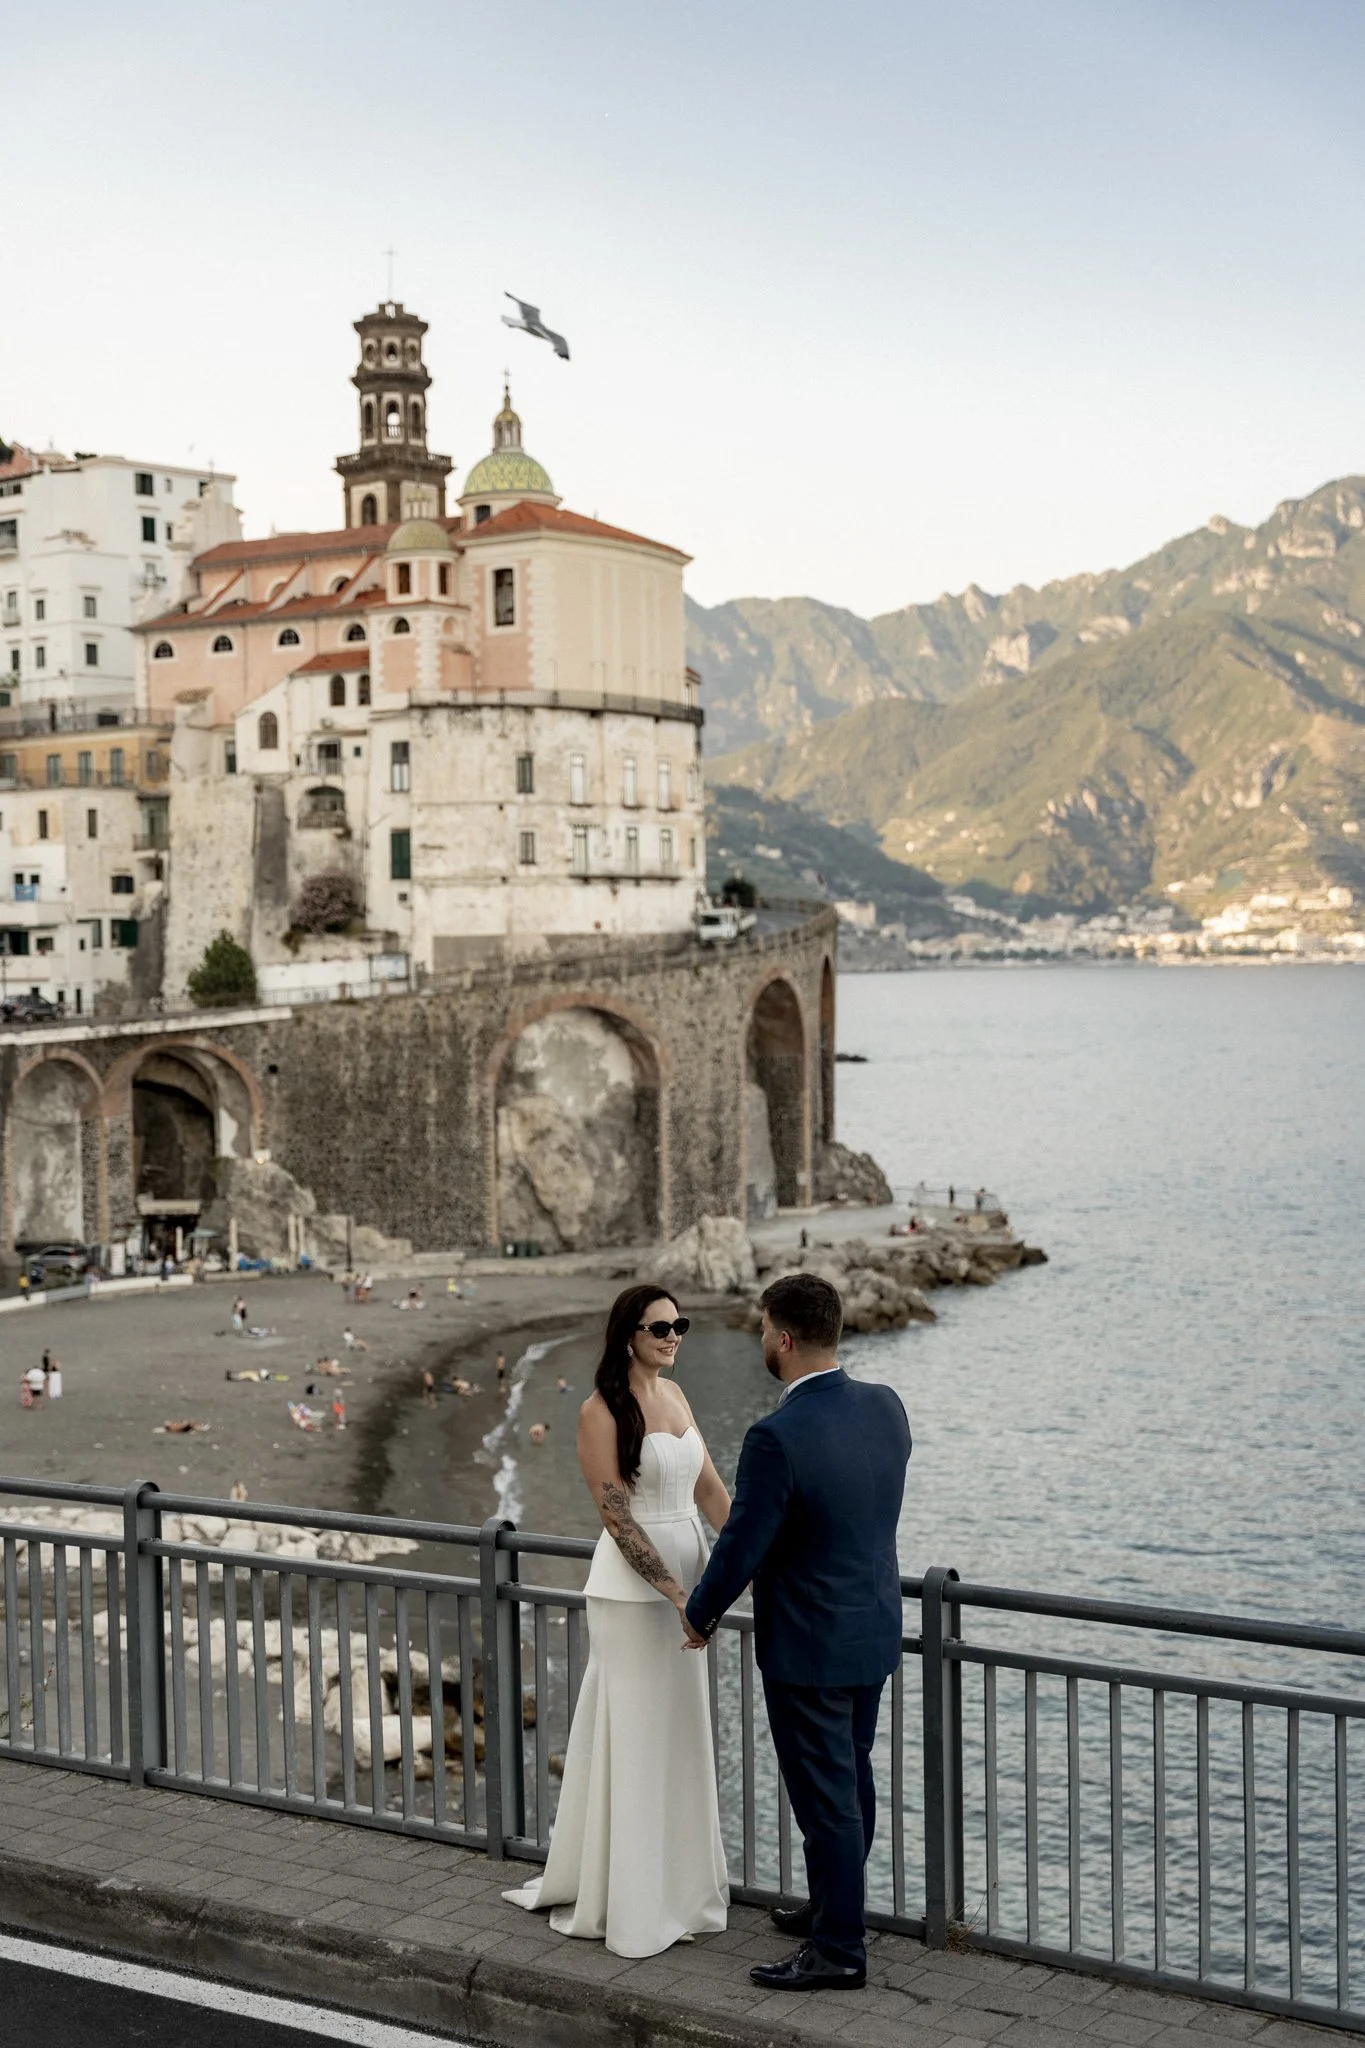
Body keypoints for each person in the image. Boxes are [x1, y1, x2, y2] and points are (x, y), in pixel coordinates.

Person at [684, 1272, 912, 1994]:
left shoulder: (775, 1435)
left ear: (781, 1338)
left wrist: (699, 1613)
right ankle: (830, 1905)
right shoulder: (885, 1407)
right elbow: (854, 1514)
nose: (759, 1339)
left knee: (825, 1799)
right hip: (870, 1628)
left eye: (760, 1329)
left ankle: (839, 1949)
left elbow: (744, 1542)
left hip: (808, 1644)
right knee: (852, 1776)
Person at [503, 1284, 731, 1957]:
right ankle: (631, 1905)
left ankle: (681, 1891)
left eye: (679, 1325)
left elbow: (711, 1491)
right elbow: (615, 1516)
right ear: (628, 1333)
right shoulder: (599, 1410)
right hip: (635, 1600)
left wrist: (752, 1560)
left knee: (680, 1738)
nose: (672, 1336)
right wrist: (676, 1595)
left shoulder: (677, 1395)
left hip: (692, 1591)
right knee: (635, 1741)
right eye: (659, 1327)